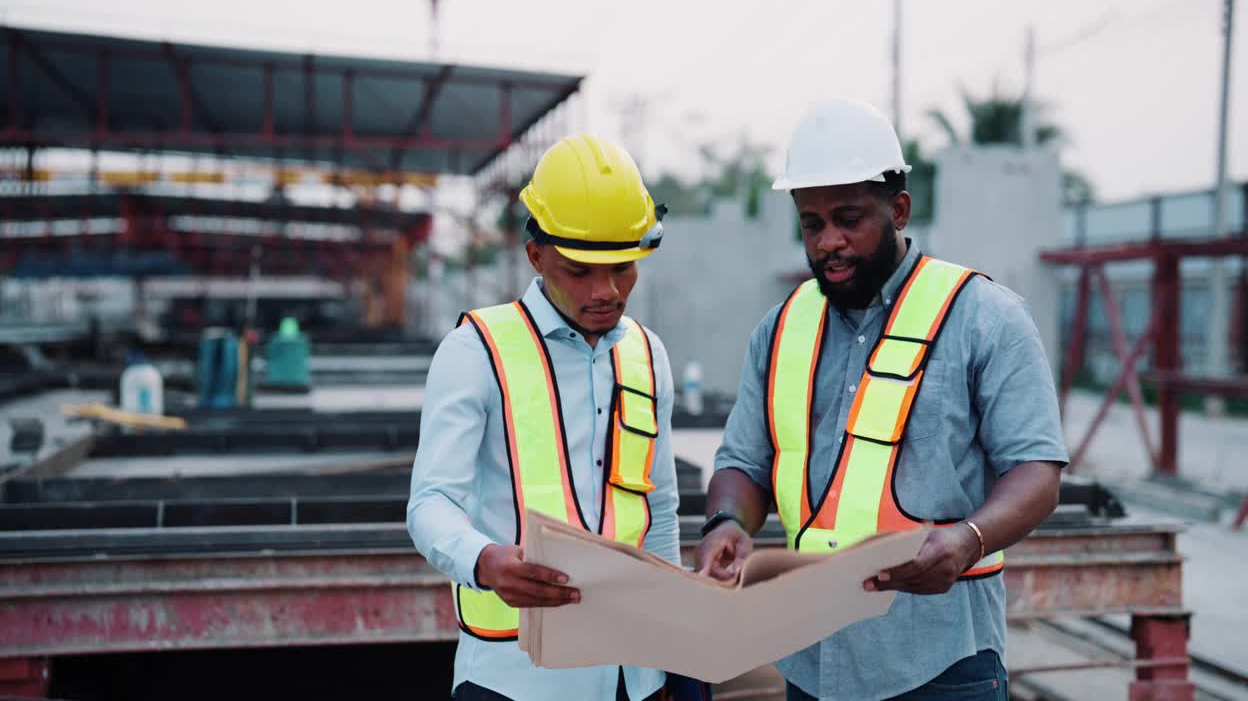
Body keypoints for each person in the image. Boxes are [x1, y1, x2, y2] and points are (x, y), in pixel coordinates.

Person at [696, 98, 1067, 701]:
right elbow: (744, 462)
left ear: (898, 209)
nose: (829, 242)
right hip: (812, 657)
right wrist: (726, 524)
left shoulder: (983, 318)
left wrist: (967, 539)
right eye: (812, 224)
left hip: (941, 663)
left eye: (849, 219)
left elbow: (1037, 472)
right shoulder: (781, 329)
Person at [407, 134, 680, 701]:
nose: (606, 290)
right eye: (581, 270)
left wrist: (676, 652)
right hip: (514, 678)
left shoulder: (648, 354)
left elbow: (658, 512)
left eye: (623, 268)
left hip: (635, 676)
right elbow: (431, 503)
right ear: (536, 255)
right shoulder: (474, 351)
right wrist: (484, 561)